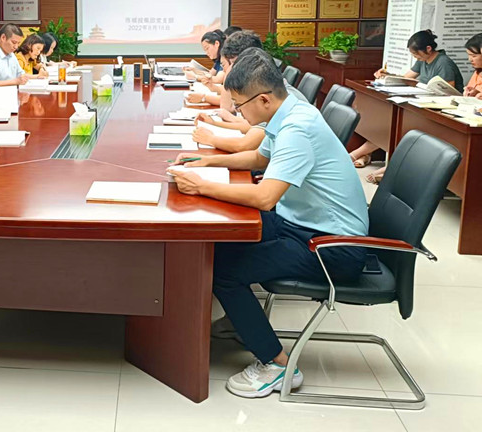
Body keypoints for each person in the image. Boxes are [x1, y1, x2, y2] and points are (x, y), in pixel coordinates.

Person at [168, 51, 368, 399]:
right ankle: (242, 319)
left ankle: (277, 365)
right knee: (222, 242)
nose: (238, 113)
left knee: (222, 271)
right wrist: (207, 161)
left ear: (263, 99)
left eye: (240, 106)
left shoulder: (297, 128)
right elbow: (261, 158)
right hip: (302, 224)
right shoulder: (288, 112)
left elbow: (264, 197)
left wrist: (200, 186)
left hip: (332, 246)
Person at [350, 30, 464, 182]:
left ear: (428, 49)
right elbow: (406, 78)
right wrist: (386, 75)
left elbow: (449, 90)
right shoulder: (423, 60)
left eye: (416, 53)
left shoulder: (443, 62)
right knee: (391, 126)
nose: (415, 57)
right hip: (421, 105)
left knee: (403, 130)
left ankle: (387, 165)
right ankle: (368, 157)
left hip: (440, 110)